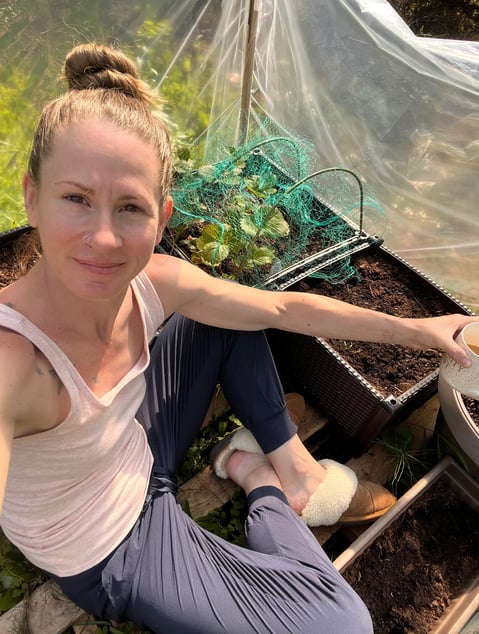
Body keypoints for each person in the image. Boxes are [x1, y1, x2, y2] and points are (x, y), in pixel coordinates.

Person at [0, 42, 476, 634]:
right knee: (342, 625)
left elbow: (278, 306)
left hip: (133, 444)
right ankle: (258, 480)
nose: (103, 237)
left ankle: (295, 473)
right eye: (76, 199)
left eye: (129, 208)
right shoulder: (15, 363)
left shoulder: (154, 281)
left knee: (230, 313)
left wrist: (419, 330)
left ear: (162, 215)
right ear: (30, 197)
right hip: (111, 543)